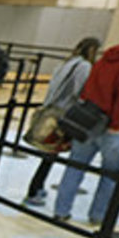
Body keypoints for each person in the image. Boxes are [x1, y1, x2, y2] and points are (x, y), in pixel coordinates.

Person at [53, 21, 119, 223]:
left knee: (75, 166)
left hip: (89, 120)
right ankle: (98, 215)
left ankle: (61, 210)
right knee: (110, 175)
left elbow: (90, 86)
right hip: (114, 126)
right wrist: (118, 124)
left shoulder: (105, 58)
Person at [23, 37, 100, 206]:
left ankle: (38, 187)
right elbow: (80, 91)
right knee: (51, 153)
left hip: (52, 108)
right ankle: (34, 189)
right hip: (64, 113)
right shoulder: (84, 66)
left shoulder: (67, 62)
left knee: (48, 153)